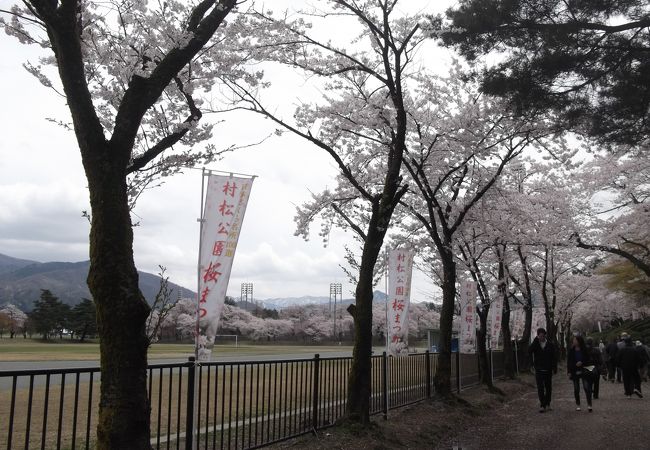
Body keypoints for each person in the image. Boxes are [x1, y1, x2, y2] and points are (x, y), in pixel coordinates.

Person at [529, 327, 557, 412]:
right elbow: (529, 351)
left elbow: (553, 357)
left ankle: (548, 403)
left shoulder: (550, 345)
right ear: (537, 336)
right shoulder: (536, 344)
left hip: (548, 369)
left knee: (548, 387)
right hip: (539, 369)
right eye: (539, 336)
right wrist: (534, 341)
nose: (541, 337)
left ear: (545, 335)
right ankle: (542, 405)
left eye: (542, 336)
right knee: (540, 388)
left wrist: (554, 368)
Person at [567, 334, 595, 412]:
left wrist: (582, 362)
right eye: (573, 340)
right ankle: (578, 404)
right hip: (574, 370)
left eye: (575, 340)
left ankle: (589, 404)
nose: (574, 341)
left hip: (584, 370)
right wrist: (569, 371)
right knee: (576, 389)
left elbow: (588, 359)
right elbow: (569, 362)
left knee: (586, 387)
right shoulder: (571, 350)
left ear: (579, 341)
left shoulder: (584, 349)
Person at [617, 334, 643, 398]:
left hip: (624, 367)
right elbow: (639, 358)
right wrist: (640, 365)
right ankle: (637, 388)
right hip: (633, 366)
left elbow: (618, 358)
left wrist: (619, 365)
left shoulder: (622, 350)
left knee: (626, 380)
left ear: (625, 342)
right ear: (631, 342)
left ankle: (628, 394)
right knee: (637, 379)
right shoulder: (634, 349)